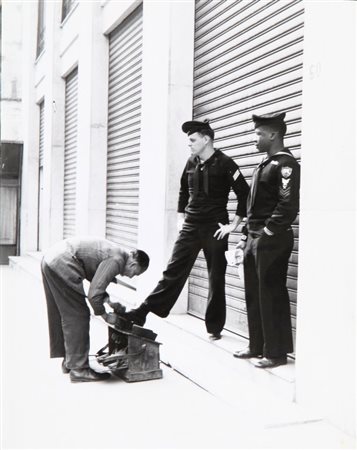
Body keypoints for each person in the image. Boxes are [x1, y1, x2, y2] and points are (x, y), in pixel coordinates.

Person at [124, 119, 249, 340]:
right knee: (172, 271)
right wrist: (181, 218)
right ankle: (142, 312)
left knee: (216, 278)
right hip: (191, 226)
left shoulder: (226, 163)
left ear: (206, 139)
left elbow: (244, 194)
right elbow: (183, 190)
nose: (189, 144)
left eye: (192, 140)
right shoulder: (191, 162)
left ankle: (214, 327)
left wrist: (233, 226)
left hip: (215, 228)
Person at [233, 112, 300, 369]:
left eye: (259, 133)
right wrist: (244, 238)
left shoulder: (286, 165)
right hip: (254, 238)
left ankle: (276, 352)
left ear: (273, 135)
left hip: (271, 239)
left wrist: (267, 233)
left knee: (270, 293)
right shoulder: (263, 164)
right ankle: (256, 345)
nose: (255, 138)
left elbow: (287, 205)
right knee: (253, 292)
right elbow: (253, 207)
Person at [41, 237, 149, 382]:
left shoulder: (118, 253)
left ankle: (70, 361)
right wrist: (105, 316)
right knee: (78, 315)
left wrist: (109, 301)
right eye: (135, 273)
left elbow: (95, 278)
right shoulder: (117, 260)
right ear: (133, 264)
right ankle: (79, 369)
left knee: (63, 312)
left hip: (51, 260)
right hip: (62, 263)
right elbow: (94, 294)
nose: (131, 277)